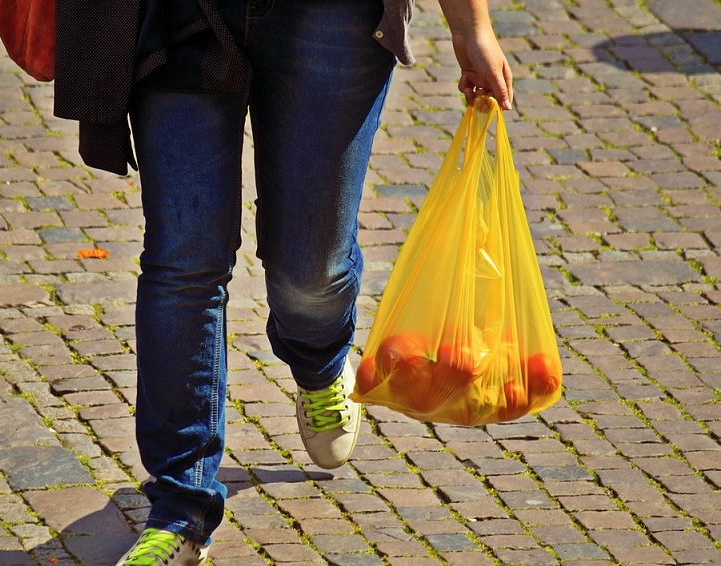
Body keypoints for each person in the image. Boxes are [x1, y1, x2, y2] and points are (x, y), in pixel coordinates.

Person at [53, 0, 513, 564]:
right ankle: (179, 508)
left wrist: (472, 27)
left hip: (331, 17)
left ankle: (319, 361)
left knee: (310, 270)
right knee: (182, 258)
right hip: (179, 11)